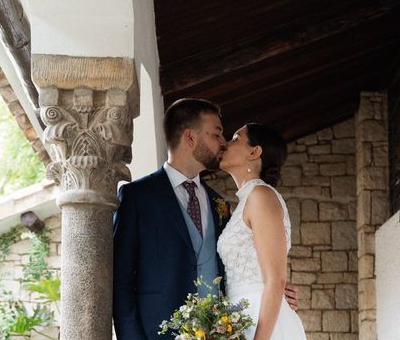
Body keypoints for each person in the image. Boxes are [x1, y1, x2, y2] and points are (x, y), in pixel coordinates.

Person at [112, 99, 298, 340]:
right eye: (218, 134)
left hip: (225, 330)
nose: (223, 143)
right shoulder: (138, 197)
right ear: (190, 138)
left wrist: (276, 285)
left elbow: (246, 259)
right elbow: (121, 281)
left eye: (231, 138)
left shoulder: (220, 204)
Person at [217, 123, 307, 340]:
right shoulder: (247, 200)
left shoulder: (261, 195)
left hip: (262, 323)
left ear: (254, 152)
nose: (225, 143)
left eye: (235, 138)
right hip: (240, 319)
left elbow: (275, 280)